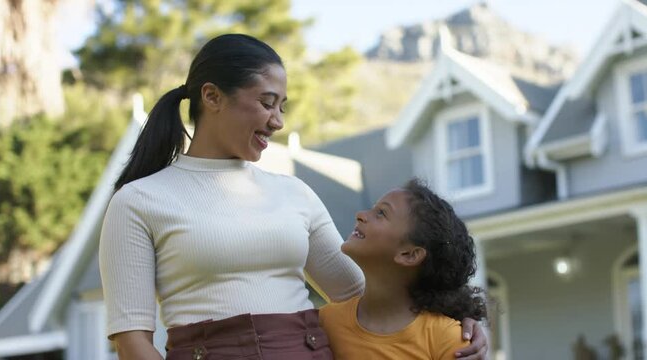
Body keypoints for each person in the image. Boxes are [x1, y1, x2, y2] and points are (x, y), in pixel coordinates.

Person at [99, 33, 487, 360]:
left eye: (282, 107)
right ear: (212, 97)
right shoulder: (139, 202)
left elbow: (364, 293)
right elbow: (132, 341)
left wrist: (455, 321)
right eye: (267, 103)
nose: (278, 121)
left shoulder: (293, 192)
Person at [319, 178, 488, 360]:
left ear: (409, 255)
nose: (361, 214)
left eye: (381, 213)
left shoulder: (448, 340)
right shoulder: (325, 322)